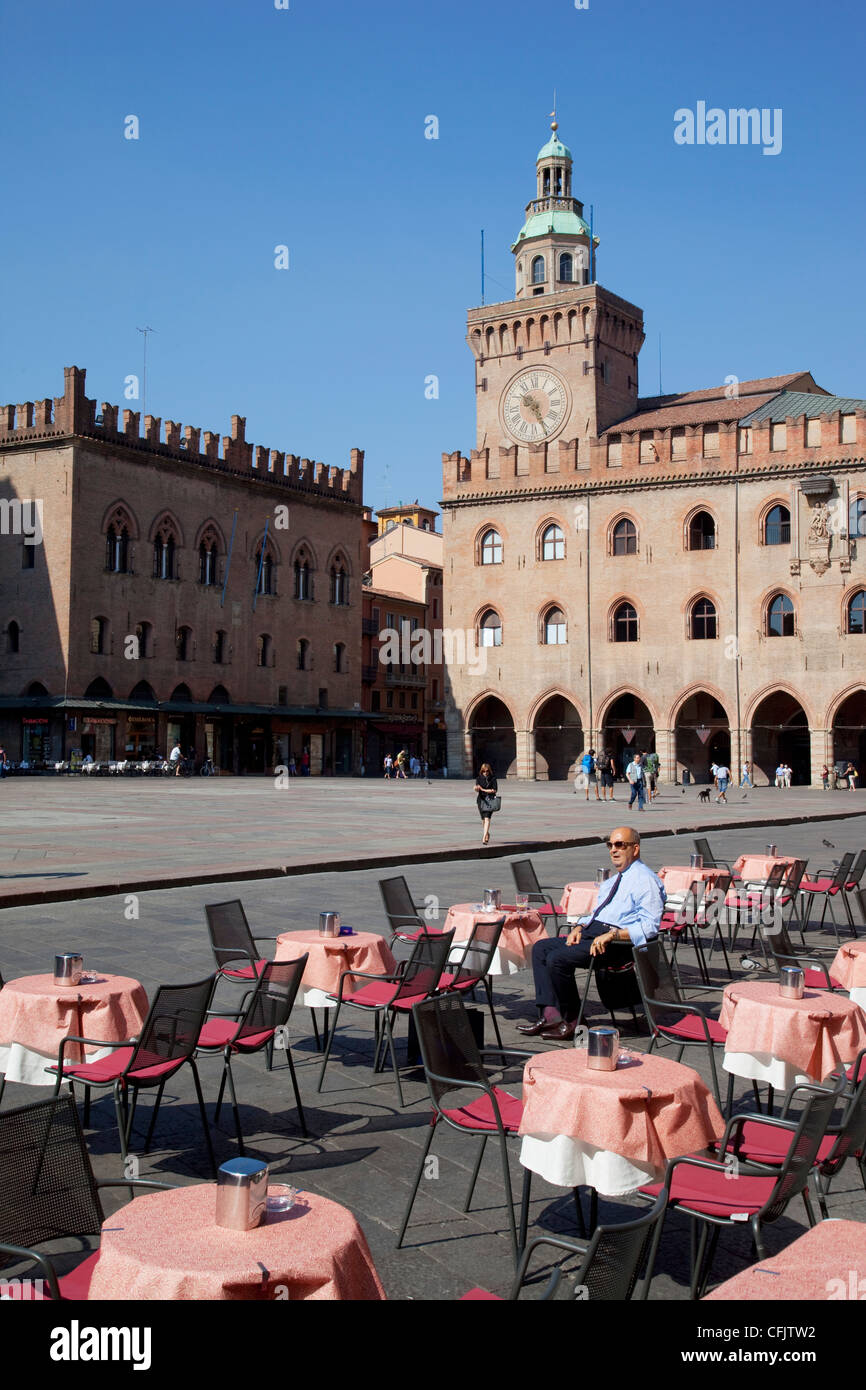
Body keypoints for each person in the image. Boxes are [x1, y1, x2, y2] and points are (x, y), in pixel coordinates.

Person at [517, 828, 664, 1040]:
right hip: (594, 933)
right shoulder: (615, 880)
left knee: (557, 959)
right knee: (541, 948)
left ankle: (574, 1021)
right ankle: (551, 1015)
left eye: (620, 845)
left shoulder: (646, 880)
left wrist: (613, 935)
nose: (614, 850)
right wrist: (579, 927)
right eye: (610, 845)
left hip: (618, 945)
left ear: (635, 848)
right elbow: (598, 913)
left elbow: (650, 927)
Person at [474, 762, 499, 845]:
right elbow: (477, 788)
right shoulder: (478, 778)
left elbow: (494, 790)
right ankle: (487, 833)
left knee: (487, 818)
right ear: (481, 771)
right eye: (484, 771)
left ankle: (484, 837)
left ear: (489, 771)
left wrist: (483, 790)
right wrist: (476, 788)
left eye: (487, 771)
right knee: (483, 820)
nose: (485, 773)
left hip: (490, 800)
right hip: (481, 800)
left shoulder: (493, 778)